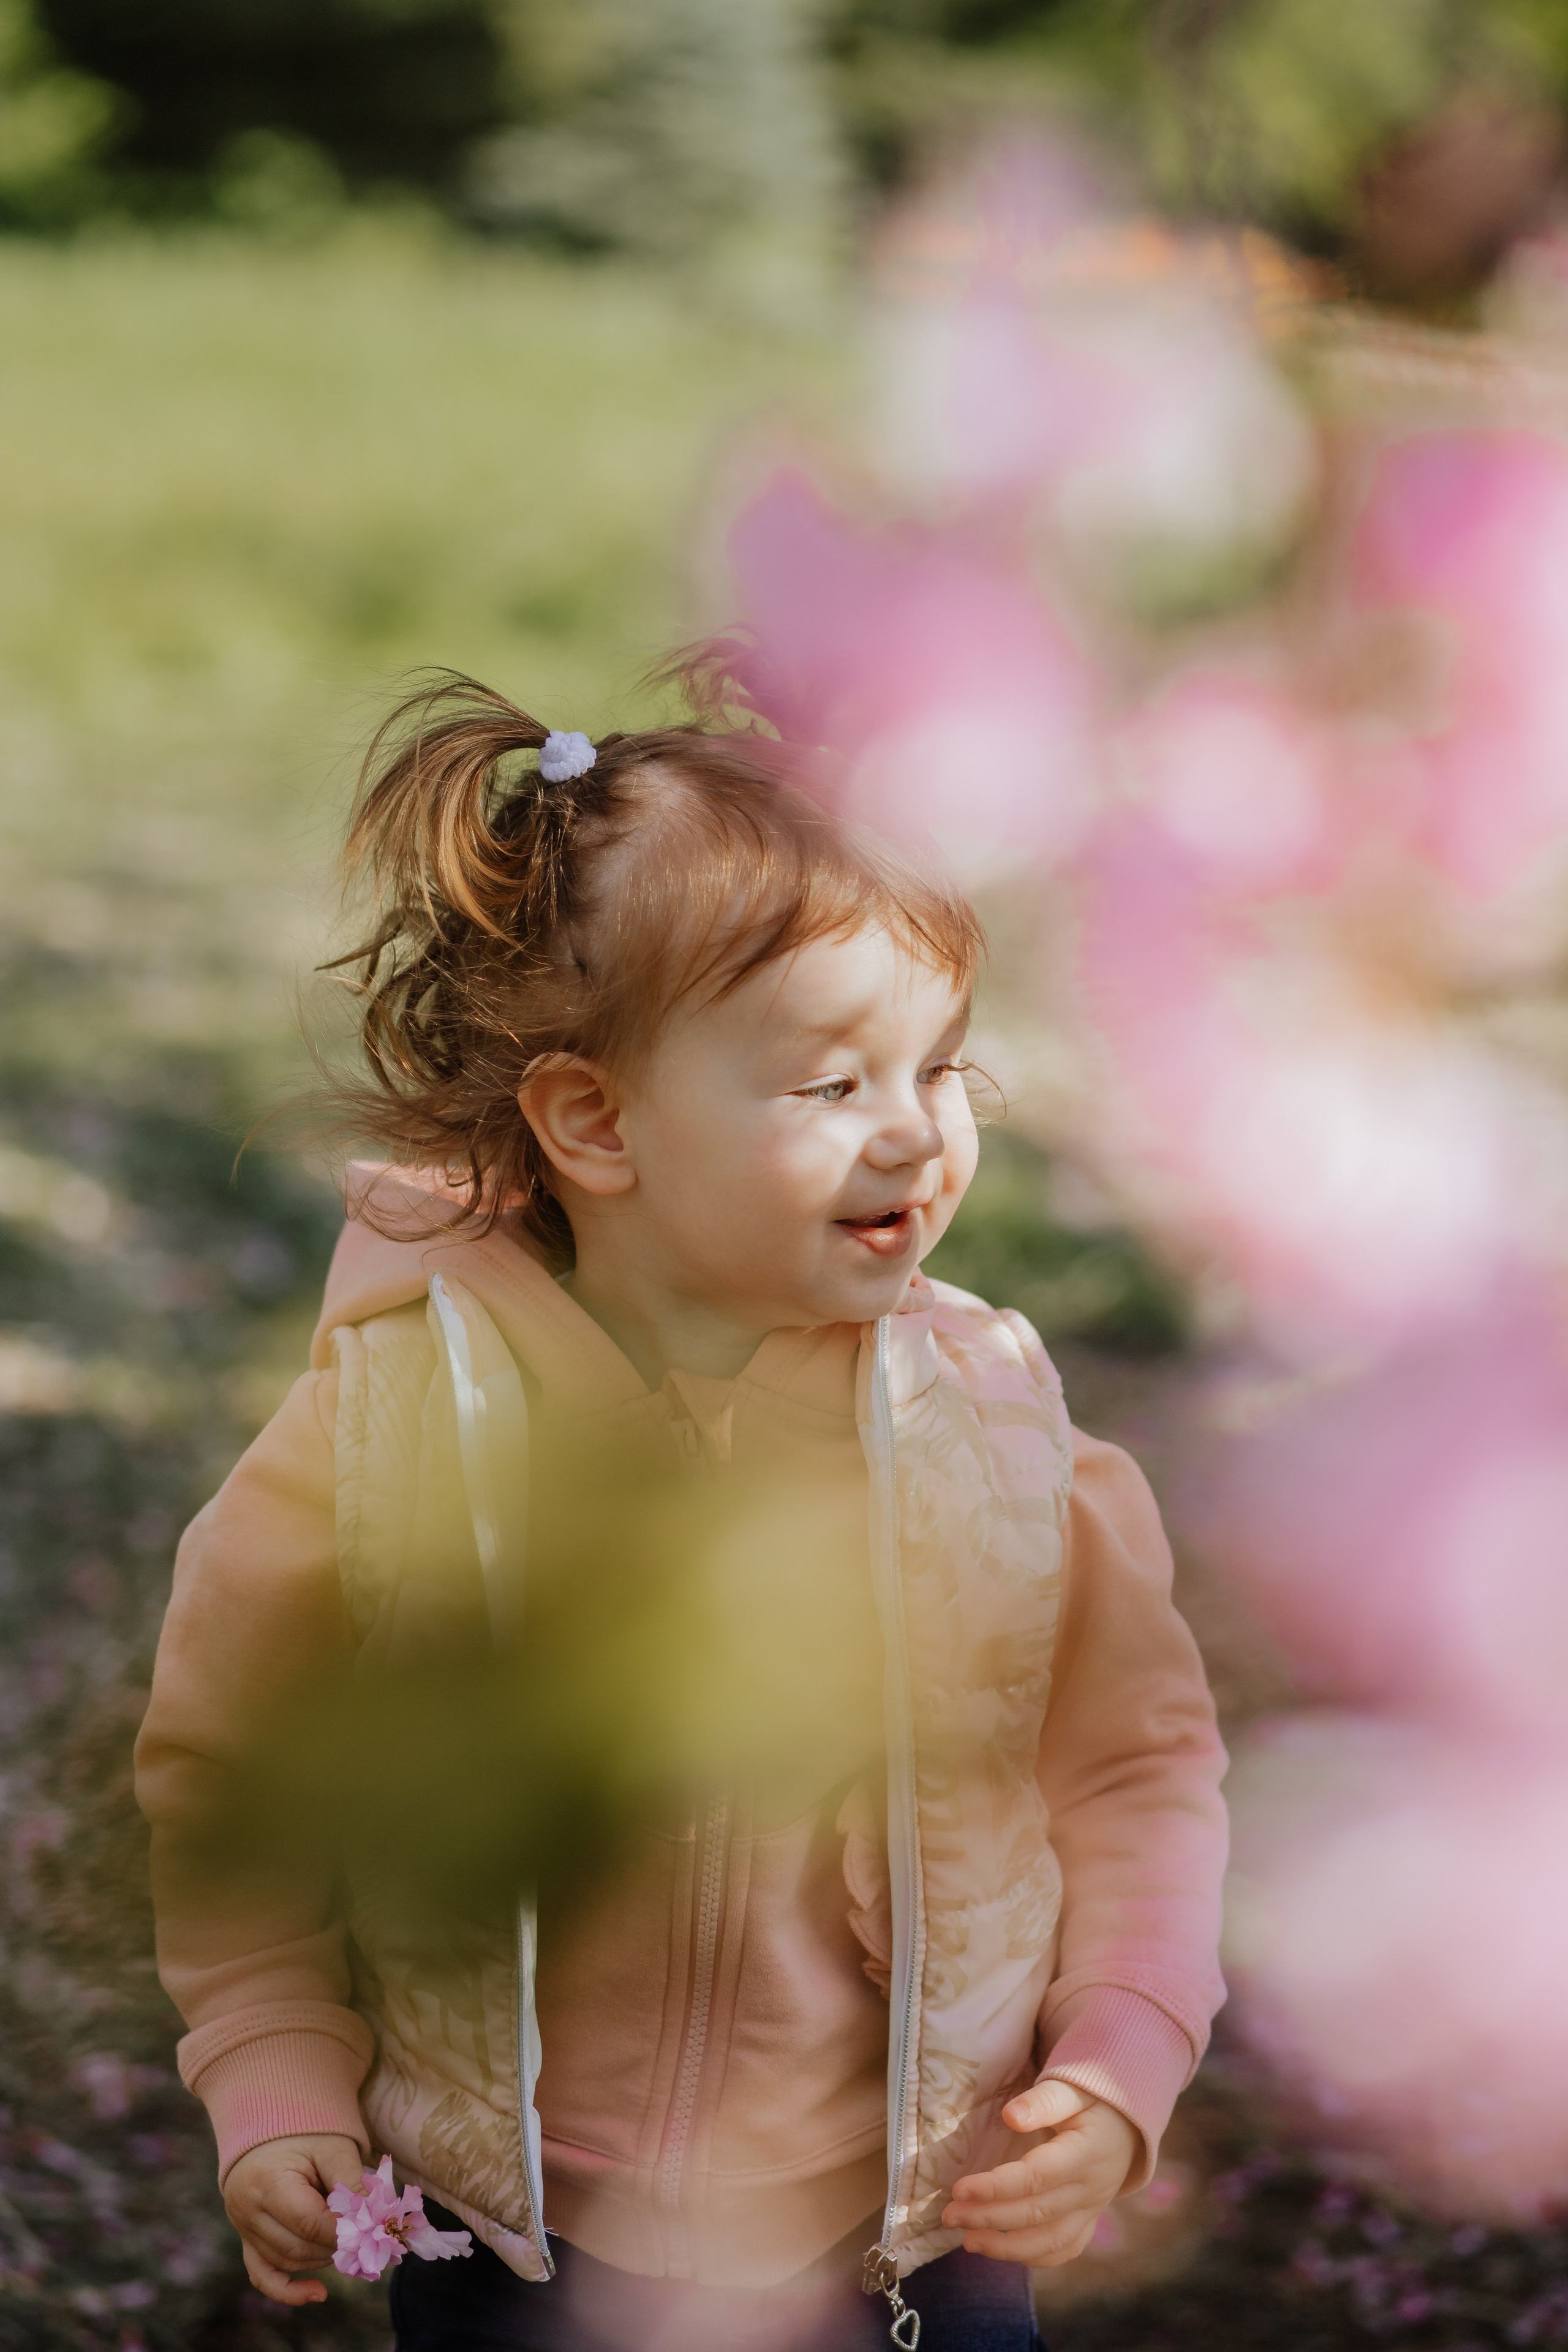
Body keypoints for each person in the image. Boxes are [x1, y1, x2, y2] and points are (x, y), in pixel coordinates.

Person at [135, 669, 1228, 2352]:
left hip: (908, 2246)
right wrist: (276, 2076)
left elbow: (1133, 1775)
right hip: (523, 2251)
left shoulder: (994, 1438)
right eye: (829, 1086)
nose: (915, 1138)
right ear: (594, 1119)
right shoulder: (394, 1434)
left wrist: (1119, 2052)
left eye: (943, 1069)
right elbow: (235, 1777)